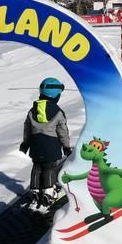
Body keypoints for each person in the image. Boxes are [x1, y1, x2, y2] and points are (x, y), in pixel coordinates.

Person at [20, 77, 72, 207]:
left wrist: (25, 143)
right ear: (56, 96)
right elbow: (62, 131)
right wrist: (66, 146)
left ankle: (34, 190)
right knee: (49, 167)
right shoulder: (58, 112)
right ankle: (48, 192)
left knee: (37, 166)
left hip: (35, 145)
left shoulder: (32, 110)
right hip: (51, 145)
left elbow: (27, 128)